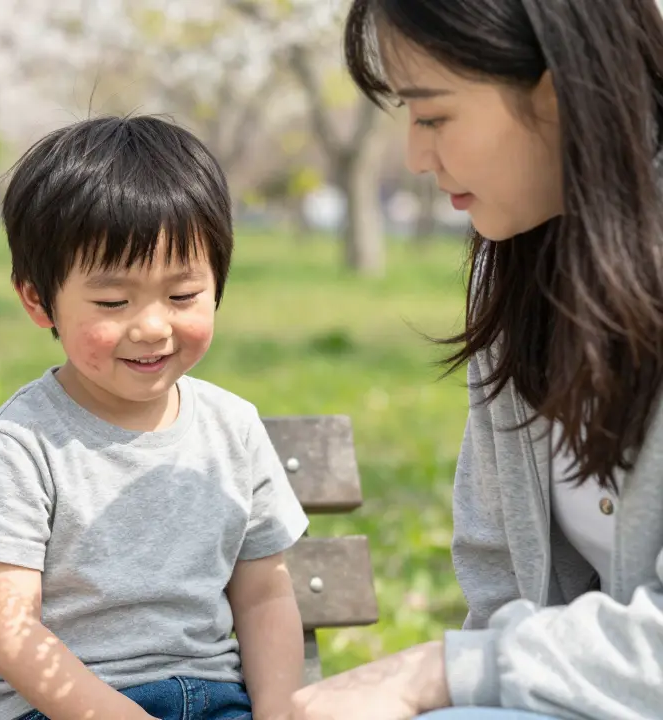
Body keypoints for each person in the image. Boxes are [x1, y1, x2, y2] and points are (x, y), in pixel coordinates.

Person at [284, 1, 663, 718]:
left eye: (432, 115)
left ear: (558, 90)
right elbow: (501, 579)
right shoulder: (515, 265)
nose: (415, 157)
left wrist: (443, 671)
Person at [0, 115, 311, 720]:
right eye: (113, 302)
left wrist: (278, 713)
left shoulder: (233, 429)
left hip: (214, 699)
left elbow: (265, 596)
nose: (153, 326)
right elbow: (10, 630)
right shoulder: (20, 445)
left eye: (182, 295)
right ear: (38, 299)